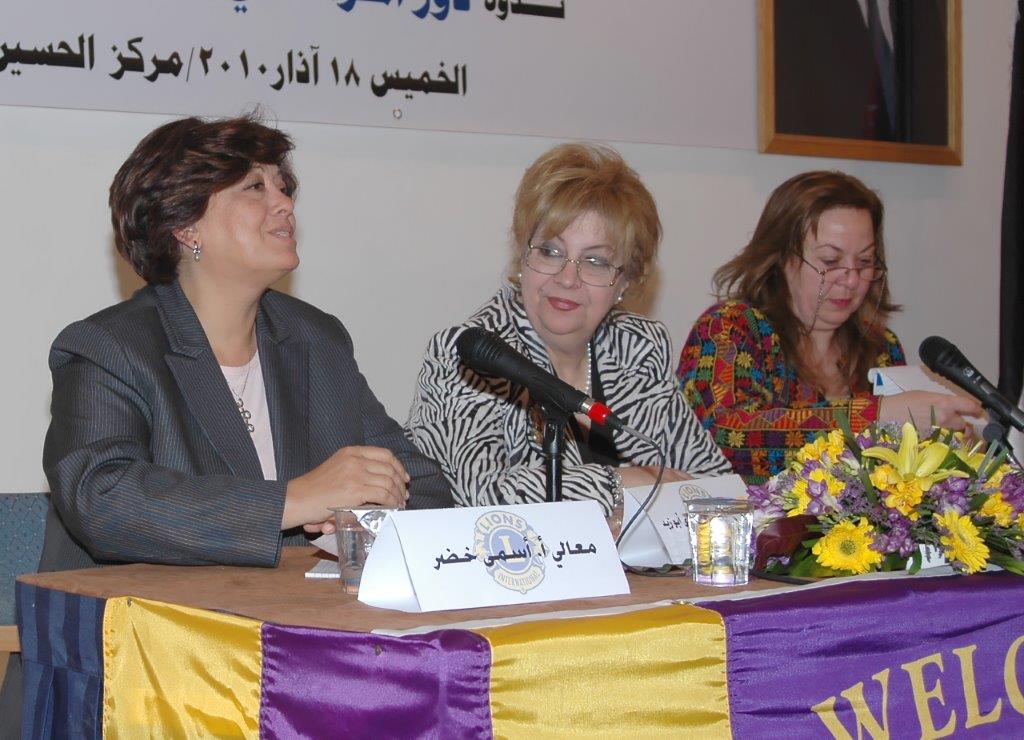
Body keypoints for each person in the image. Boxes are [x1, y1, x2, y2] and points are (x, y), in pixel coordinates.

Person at [1, 114, 453, 734]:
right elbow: (102, 500)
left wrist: (362, 520)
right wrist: (294, 500)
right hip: (135, 682)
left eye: (284, 186)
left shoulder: (315, 340)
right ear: (185, 226)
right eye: (255, 188)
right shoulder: (109, 348)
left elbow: (422, 486)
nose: (284, 203)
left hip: (291, 673)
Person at [407, 143, 730, 512]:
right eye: (551, 251)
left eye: (595, 261)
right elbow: (481, 498)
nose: (567, 278)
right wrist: (622, 482)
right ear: (523, 255)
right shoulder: (470, 356)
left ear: (625, 281)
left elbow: (714, 486)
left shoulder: (637, 348)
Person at [676, 170, 981, 484]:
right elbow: (723, 438)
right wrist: (875, 417)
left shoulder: (881, 345)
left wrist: (943, 449)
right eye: (831, 261)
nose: (851, 280)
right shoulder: (730, 328)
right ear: (782, 257)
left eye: (865, 262)